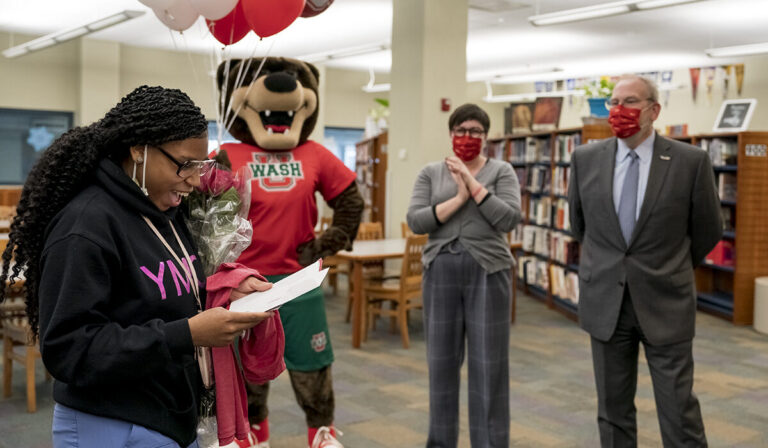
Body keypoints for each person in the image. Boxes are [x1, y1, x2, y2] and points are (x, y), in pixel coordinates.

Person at [0, 86, 275, 448]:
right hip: (111, 422)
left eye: (200, 165)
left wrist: (224, 291)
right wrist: (188, 334)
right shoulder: (85, 227)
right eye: (184, 164)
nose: (194, 180)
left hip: (169, 415)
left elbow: (161, 293)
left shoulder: (167, 210)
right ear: (138, 150)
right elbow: (68, 350)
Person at [568, 74, 722, 447]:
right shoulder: (585, 159)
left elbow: (707, 230)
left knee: (678, 410)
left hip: (665, 301)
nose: (618, 111)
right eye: (613, 103)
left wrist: (670, 268)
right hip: (606, 301)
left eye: (630, 102)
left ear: (654, 110)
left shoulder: (690, 161)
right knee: (613, 411)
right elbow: (580, 226)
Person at [407, 103, 522, 447]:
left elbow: (508, 219)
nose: (467, 137)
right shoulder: (430, 173)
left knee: (489, 366)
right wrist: (458, 198)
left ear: (486, 138)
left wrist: (471, 183)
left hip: (489, 271)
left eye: (475, 132)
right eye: (461, 130)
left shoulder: (502, 171)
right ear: (451, 134)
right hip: (440, 269)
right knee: (441, 365)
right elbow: (416, 221)